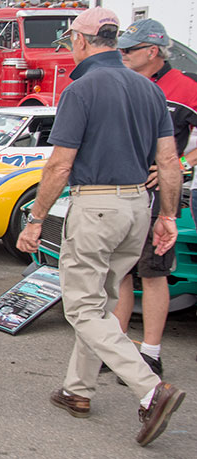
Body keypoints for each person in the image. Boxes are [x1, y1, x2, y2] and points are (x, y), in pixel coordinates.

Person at [14, 8, 185, 447]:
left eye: (71, 39)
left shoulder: (83, 87)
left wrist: (35, 220)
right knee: (102, 301)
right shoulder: (149, 89)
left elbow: (59, 164)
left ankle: (149, 388)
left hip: (97, 205)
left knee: (84, 308)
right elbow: (169, 162)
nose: (70, 46)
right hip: (137, 206)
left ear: (85, 41)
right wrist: (167, 215)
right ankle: (77, 390)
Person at [112, 18, 197, 383]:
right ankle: (115, 348)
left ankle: (151, 353)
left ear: (152, 51)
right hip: (120, 190)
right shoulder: (123, 83)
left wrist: (177, 164)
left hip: (159, 195)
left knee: (152, 273)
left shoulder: (184, 88)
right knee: (119, 273)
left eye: (129, 49)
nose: (122, 54)